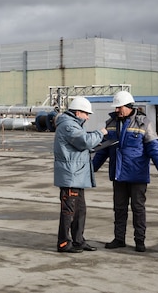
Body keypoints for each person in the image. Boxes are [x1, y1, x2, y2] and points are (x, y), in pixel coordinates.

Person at [92, 91, 158, 253]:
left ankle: (139, 241)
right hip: (118, 174)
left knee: (138, 208)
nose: (116, 110)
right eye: (115, 108)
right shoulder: (111, 123)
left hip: (137, 174)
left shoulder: (144, 123)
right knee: (119, 209)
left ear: (128, 107)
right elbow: (102, 150)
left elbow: (153, 147)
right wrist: (91, 168)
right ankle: (119, 238)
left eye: (119, 107)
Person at [54, 96, 108, 253]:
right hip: (71, 177)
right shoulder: (68, 126)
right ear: (78, 113)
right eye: (86, 114)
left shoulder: (73, 125)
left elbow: (80, 145)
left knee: (80, 210)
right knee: (69, 211)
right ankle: (64, 242)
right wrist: (100, 133)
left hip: (77, 176)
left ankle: (78, 240)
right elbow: (84, 141)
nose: (88, 117)